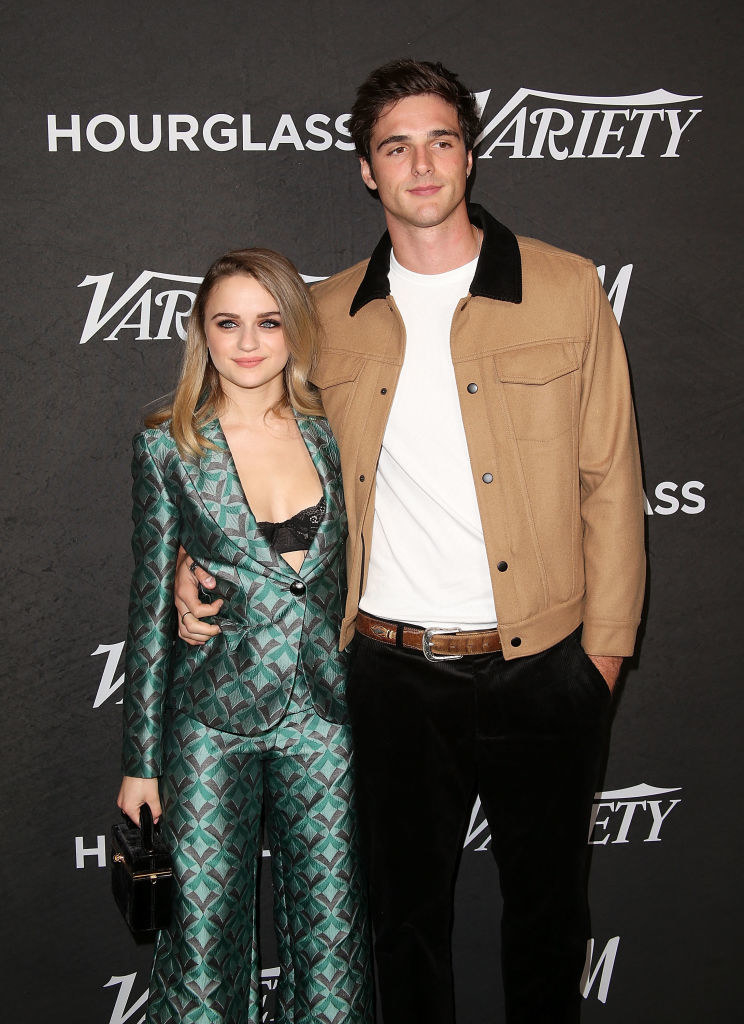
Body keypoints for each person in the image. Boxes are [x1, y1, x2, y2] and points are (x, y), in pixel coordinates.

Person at [176, 60, 646, 1024]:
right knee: (402, 927)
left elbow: (613, 481)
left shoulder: (566, 288)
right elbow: (260, 452)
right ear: (365, 171)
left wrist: (602, 654)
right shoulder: (328, 316)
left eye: (440, 140)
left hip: (547, 663)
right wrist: (201, 558)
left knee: (550, 924)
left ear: (469, 155)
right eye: (396, 146)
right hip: (388, 673)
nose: (420, 164)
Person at [116, 248, 372, 1024]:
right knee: (200, 935)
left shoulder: (339, 431)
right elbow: (148, 609)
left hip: (326, 719)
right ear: (202, 332)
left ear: (296, 330)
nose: (250, 342)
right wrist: (140, 766)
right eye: (229, 322)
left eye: (268, 322)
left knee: (333, 934)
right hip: (207, 727)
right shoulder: (170, 444)